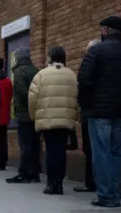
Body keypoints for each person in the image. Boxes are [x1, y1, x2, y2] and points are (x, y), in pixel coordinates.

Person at [78, 16, 121, 208]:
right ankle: (114, 195)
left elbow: (84, 78)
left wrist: (89, 104)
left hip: (99, 113)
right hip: (120, 112)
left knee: (101, 154)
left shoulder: (96, 51)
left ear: (105, 30)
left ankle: (105, 196)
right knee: (115, 154)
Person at [28, 47, 78, 195]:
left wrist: (34, 117)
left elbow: (32, 99)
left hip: (47, 119)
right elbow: (77, 98)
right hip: (65, 120)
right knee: (61, 151)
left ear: (50, 57)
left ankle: (51, 184)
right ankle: (59, 183)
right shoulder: (71, 75)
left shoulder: (41, 75)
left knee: (50, 151)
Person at [6, 46, 41, 184]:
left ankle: (24, 173)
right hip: (36, 113)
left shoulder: (20, 71)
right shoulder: (36, 70)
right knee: (35, 143)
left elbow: (20, 90)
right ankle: (35, 172)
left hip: (24, 112)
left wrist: (29, 102)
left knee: (25, 143)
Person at [73, 39, 101, 193]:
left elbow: (82, 87)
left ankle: (92, 183)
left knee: (91, 149)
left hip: (90, 112)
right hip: (106, 111)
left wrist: (82, 106)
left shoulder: (89, 66)